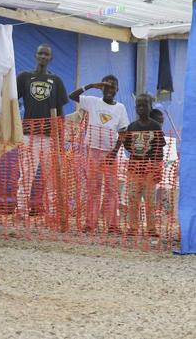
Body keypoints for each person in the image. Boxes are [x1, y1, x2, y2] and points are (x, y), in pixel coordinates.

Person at [69, 75, 129, 233]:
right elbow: (72, 96)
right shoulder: (93, 102)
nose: (109, 89)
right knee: (93, 188)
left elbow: (123, 131)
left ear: (117, 89)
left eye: (113, 86)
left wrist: (114, 152)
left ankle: (112, 225)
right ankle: (90, 224)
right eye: (106, 86)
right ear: (101, 87)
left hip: (110, 154)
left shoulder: (120, 108)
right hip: (93, 151)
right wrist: (90, 85)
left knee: (111, 189)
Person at [16, 44, 69, 223]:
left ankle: (52, 213)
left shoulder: (57, 80)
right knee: (26, 175)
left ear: (51, 58)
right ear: (35, 55)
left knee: (51, 177)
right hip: (28, 135)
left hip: (49, 137)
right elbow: (10, 98)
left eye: (47, 54)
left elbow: (60, 111)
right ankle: (22, 212)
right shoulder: (24, 77)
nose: (43, 56)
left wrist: (60, 138)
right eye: (40, 53)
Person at [114, 94, 165, 237]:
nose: (141, 108)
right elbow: (128, 146)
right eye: (138, 105)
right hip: (134, 168)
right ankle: (133, 228)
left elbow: (159, 150)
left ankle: (151, 229)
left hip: (150, 169)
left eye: (144, 105)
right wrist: (128, 143)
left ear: (150, 107)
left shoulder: (155, 126)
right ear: (136, 108)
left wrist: (157, 168)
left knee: (149, 200)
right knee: (133, 198)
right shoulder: (132, 126)